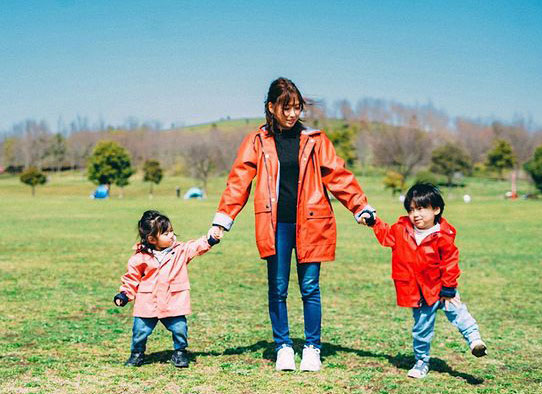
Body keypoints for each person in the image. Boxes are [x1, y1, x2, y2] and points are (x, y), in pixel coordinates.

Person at [210, 77, 376, 372]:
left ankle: (313, 347)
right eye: (286, 108)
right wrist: (223, 219)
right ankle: (283, 346)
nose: (292, 114)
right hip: (275, 225)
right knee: (277, 288)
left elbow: (338, 175)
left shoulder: (315, 140)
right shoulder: (257, 141)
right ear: (271, 107)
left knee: (310, 287)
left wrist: (360, 206)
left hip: (312, 222)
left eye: (297, 108)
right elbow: (239, 181)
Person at [367, 183, 487, 379]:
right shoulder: (401, 229)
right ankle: (421, 361)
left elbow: (450, 262)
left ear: (436, 209)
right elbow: (386, 235)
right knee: (421, 330)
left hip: (443, 289)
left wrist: (449, 287)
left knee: (459, 312)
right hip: (419, 292)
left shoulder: (443, 235)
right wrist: (374, 222)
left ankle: (475, 341)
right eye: (412, 209)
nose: (416, 214)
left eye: (421, 208)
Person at [114, 210, 221, 368]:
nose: (171, 235)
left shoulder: (180, 251)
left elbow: (196, 246)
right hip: (148, 303)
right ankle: (137, 353)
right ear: (151, 239)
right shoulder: (139, 258)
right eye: (165, 233)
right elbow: (132, 278)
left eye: (171, 231)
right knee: (139, 331)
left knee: (180, 328)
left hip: (173, 301)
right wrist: (124, 294)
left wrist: (210, 239)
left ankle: (180, 352)